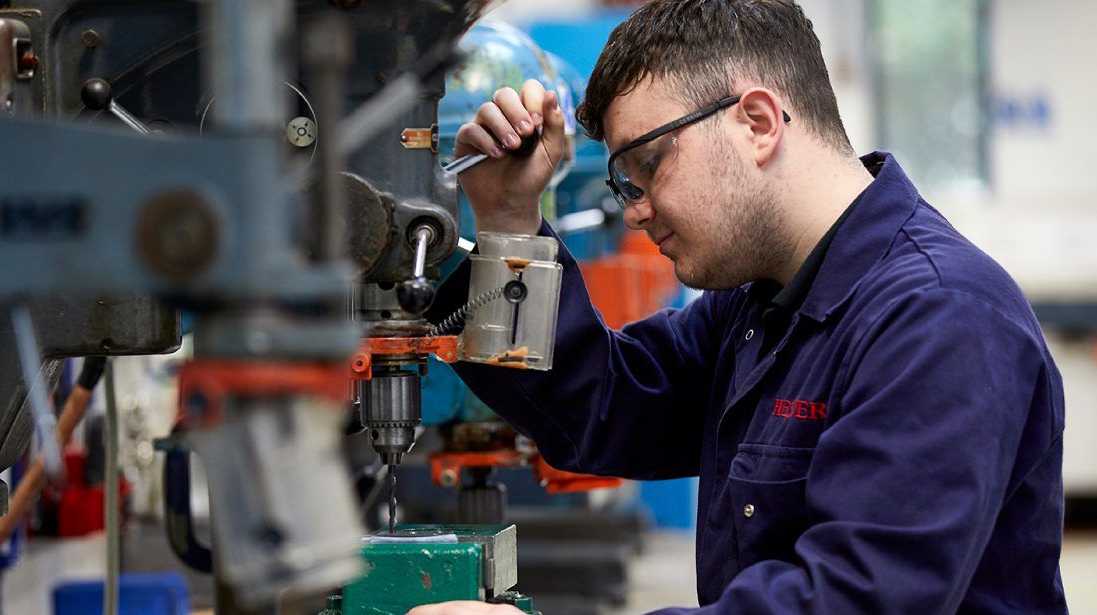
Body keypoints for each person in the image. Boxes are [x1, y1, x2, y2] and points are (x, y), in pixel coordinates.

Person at [409, 0, 1067, 613]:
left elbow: (853, 597)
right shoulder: (759, 303)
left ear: (755, 122)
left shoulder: (937, 318)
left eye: (647, 164)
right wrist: (507, 223)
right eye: (621, 181)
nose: (633, 210)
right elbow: (601, 405)